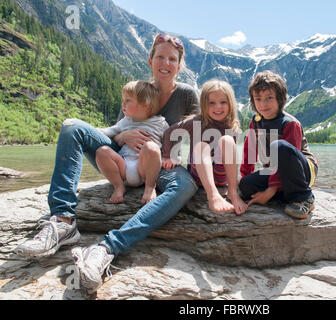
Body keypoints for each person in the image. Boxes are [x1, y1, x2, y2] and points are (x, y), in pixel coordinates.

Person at [15, 33, 200, 294]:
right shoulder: (138, 89)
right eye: (160, 56)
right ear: (150, 60)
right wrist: (123, 136)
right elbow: (116, 128)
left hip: (160, 165)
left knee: (186, 185)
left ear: (179, 66)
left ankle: (106, 248)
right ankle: (63, 221)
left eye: (172, 59)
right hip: (122, 157)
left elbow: (202, 133)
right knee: (71, 127)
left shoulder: (187, 94)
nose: (165, 63)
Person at [239, 70, 318, 219]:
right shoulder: (255, 123)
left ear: (280, 99)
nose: (263, 104)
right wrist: (245, 178)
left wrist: (270, 190)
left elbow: (286, 158)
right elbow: (249, 152)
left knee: (279, 146)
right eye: (258, 99)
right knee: (245, 186)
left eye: (269, 98)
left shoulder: (290, 123)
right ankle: (285, 195)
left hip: (301, 172)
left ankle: (305, 197)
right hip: (274, 172)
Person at [162, 80, 248, 215]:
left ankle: (232, 192)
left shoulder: (233, 127)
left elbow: (231, 158)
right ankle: (212, 195)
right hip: (199, 175)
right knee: (202, 146)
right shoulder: (196, 121)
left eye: (223, 102)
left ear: (230, 104)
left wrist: (237, 178)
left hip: (221, 177)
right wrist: (168, 156)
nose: (217, 107)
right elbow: (169, 132)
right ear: (203, 104)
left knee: (227, 140)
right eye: (211, 103)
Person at [96, 80, 168, 204]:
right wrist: (90, 129)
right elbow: (108, 131)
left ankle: (150, 187)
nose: (123, 104)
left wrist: (172, 157)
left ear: (145, 105)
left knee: (151, 147)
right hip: (123, 166)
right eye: (123, 100)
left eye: (128, 100)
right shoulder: (126, 121)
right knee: (102, 152)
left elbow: (172, 141)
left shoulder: (160, 123)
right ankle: (118, 186)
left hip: (144, 169)